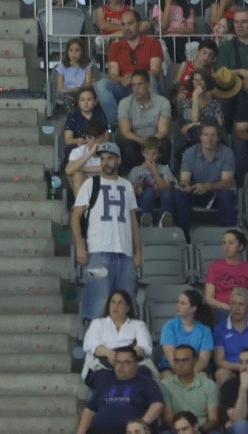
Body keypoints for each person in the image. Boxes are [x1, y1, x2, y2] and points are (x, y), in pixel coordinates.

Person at [72, 141, 141, 322]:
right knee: (98, 305)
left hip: (124, 252)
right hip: (99, 251)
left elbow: (133, 220)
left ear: (118, 160)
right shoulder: (90, 184)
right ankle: (94, 348)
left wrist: (138, 251)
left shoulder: (127, 186)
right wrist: (80, 246)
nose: (105, 162)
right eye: (102, 159)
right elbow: (75, 217)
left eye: (110, 158)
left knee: (126, 307)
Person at [77, 347, 164, 434]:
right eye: (117, 362)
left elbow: (158, 405)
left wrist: (141, 425)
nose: (120, 366)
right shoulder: (105, 383)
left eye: (126, 362)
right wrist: (81, 432)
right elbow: (89, 410)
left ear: (136, 364)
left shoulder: (146, 382)